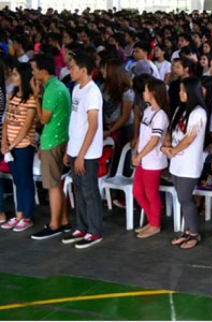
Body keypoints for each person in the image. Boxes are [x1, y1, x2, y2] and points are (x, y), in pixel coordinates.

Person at [60, 53, 105, 249]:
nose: (70, 71)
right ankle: (82, 226)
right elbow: (76, 122)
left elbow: (93, 126)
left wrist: (80, 155)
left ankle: (94, 231)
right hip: (76, 148)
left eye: (73, 68)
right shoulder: (77, 89)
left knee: (89, 192)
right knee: (78, 190)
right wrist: (70, 149)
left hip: (87, 153)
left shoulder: (92, 92)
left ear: (84, 70)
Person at [29, 54, 72, 239]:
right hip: (59, 138)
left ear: (43, 71)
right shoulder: (58, 86)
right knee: (56, 183)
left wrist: (36, 97)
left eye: (34, 69)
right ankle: (62, 221)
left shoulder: (51, 90)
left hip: (53, 140)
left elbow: (44, 119)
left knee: (52, 185)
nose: (32, 73)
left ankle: (54, 224)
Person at [164, 77, 209, 249]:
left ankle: (195, 233)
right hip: (176, 162)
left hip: (189, 163)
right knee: (181, 198)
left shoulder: (198, 113)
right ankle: (188, 230)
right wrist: (167, 144)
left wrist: (173, 151)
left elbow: (190, 138)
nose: (180, 93)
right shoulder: (180, 109)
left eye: (183, 90)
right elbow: (171, 130)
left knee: (185, 198)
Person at [0, 63, 38, 232]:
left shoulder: (31, 100)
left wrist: (11, 145)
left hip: (24, 145)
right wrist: (4, 143)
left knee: (25, 180)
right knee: (17, 179)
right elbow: (7, 121)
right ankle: (20, 213)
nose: (12, 77)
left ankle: (27, 216)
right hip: (10, 146)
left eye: (15, 75)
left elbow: (26, 126)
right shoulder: (11, 96)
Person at [131, 79, 169, 239]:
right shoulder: (148, 111)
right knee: (137, 192)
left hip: (153, 161)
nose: (143, 93)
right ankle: (152, 220)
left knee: (151, 194)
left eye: (146, 90)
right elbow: (143, 134)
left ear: (153, 93)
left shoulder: (161, 115)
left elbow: (154, 140)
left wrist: (139, 155)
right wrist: (137, 150)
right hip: (143, 159)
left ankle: (154, 224)